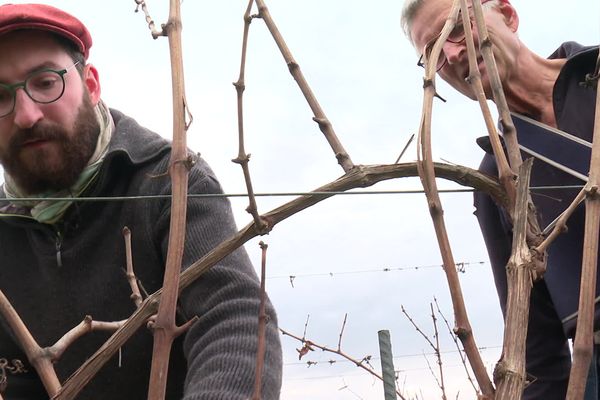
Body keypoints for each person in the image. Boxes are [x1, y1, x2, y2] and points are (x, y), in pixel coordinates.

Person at [0, 3, 282, 399]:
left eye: (46, 82)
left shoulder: (172, 181)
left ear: (91, 84)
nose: (26, 115)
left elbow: (232, 318)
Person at [401, 0, 598, 398]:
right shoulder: (496, 181)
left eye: (455, 29)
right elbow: (537, 352)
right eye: (433, 53)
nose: (453, 53)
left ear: (507, 15)